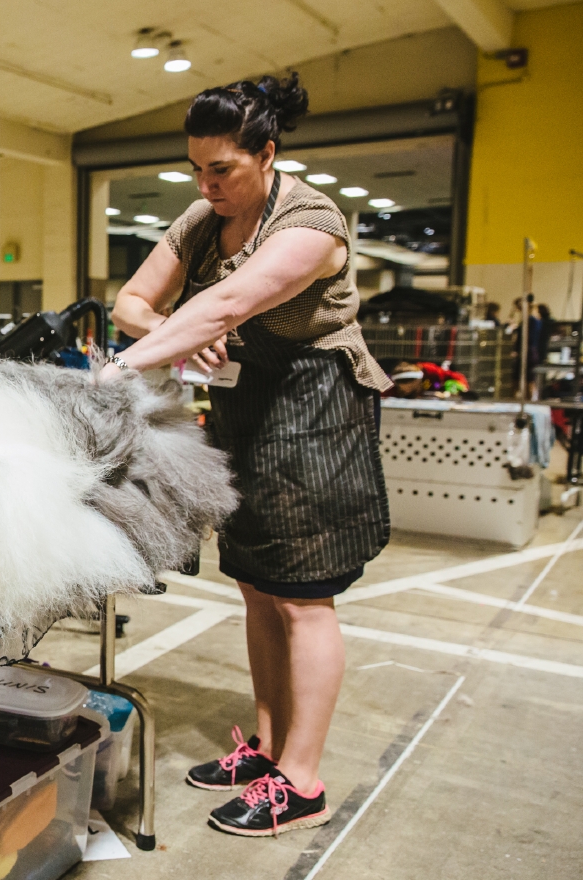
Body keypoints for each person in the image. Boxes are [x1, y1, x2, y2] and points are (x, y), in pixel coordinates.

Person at [104, 73, 390, 837]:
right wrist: (169, 330)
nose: (206, 185)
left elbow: (229, 303)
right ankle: (267, 750)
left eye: (221, 169)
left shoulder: (311, 222)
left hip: (315, 415)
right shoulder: (204, 218)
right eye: (196, 169)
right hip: (244, 413)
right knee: (259, 589)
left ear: (266, 154)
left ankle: (301, 781)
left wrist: (126, 365)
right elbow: (130, 302)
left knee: (304, 598)